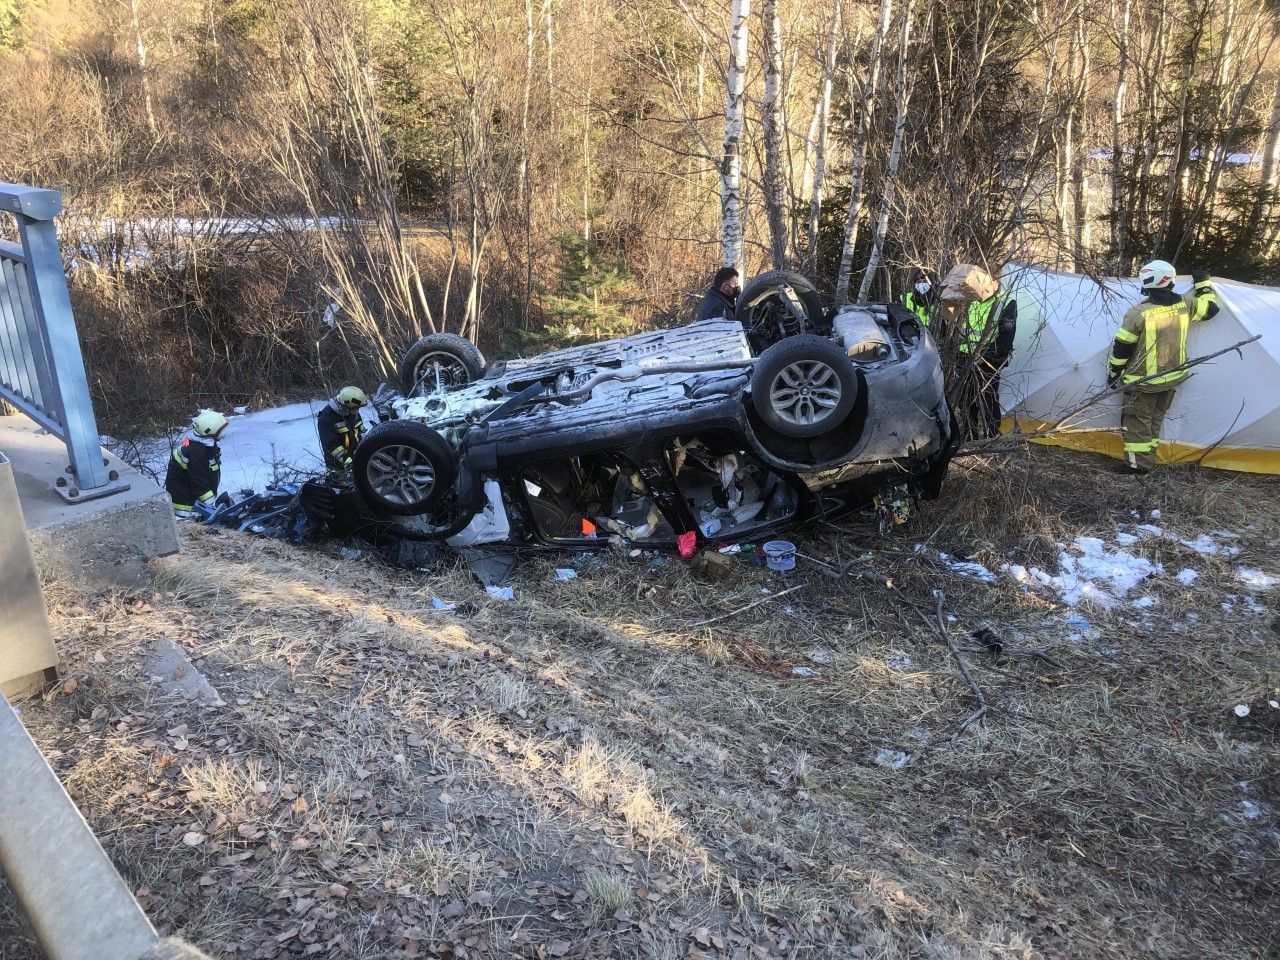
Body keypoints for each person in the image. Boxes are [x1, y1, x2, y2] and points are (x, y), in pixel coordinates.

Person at [1106, 260, 1218, 475]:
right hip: (1171, 379)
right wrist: (1203, 284)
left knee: (1138, 422)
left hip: (1142, 383)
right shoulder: (1185, 304)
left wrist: (1113, 374)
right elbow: (1211, 308)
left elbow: (1122, 349)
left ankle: (1137, 466)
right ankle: (1147, 458)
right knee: (1155, 420)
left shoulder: (1138, 313)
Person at [936, 265, 1018, 440]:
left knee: (988, 400)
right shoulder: (970, 299)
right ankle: (969, 434)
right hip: (964, 359)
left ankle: (990, 436)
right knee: (967, 400)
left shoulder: (1006, 302)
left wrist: (984, 357)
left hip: (989, 362)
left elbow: (1005, 338)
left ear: (994, 281)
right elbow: (955, 327)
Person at [165, 409, 228, 519]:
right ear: (210, 432)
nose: (224, 432)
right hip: (188, 509)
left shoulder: (198, 444)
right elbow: (200, 484)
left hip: (191, 502)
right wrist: (213, 505)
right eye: (221, 429)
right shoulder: (197, 453)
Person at [317, 386, 368, 471]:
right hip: (337, 463)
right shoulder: (326, 417)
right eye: (355, 407)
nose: (357, 410)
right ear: (345, 404)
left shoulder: (352, 411)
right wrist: (348, 462)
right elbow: (332, 445)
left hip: (355, 456)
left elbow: (360, 432)